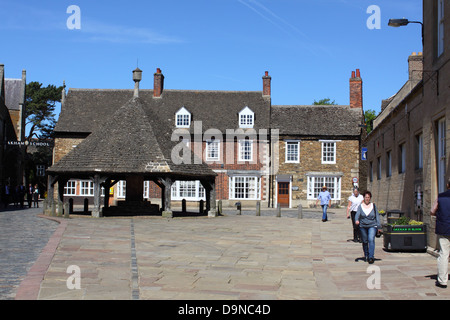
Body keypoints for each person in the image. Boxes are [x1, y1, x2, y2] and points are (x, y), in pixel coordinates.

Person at [430, 178, 450, 289]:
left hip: (444, 229)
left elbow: (432, 211)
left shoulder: (441, 197)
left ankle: (442, 281)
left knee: (444, 254)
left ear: (447, 185)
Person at [355, 191, 382, 264]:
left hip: (372, 225)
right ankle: (366, 255)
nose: (367, 199)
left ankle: (371, 257)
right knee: (365, 241)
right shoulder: (360, 206)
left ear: (370, 198)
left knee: (371, 239)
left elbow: (377, 216)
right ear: (363, 198)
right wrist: (356, 220)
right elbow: (357, 215)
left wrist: (379, 227)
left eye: (368, 197)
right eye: (366, 197)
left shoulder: (373, 206)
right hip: (363, 226)